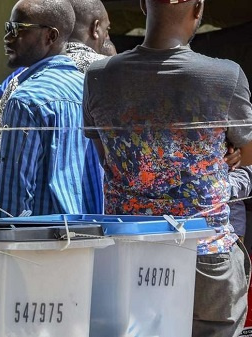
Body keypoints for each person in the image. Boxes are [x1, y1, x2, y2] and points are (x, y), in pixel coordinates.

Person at [83, 0, 252, 335]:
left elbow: (109, 160)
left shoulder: (99, 76)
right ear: (199, 8)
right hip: (208, 257)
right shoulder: (226, 76)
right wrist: (224, 177)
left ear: (144, 7)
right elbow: (247, 159)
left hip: (130, 257)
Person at [0, 0, 103, 217]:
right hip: (94, 232)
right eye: (8, 28)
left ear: (50, 36)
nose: (8, 37)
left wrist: (7, 240)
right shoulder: (90, 90)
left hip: (44, 240)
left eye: (17, 29)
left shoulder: (26, 99)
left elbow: (14, 197)